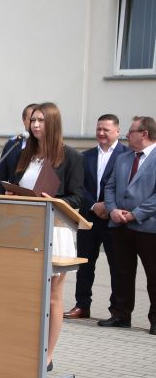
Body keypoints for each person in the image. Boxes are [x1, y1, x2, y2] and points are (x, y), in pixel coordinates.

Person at [9, 102, 84, 370]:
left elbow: (77, 197)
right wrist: (13, 193)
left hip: (56, 230)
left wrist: (53, 200)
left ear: (53, 123)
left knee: (52, 295)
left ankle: (47, 356)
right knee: (26, 294)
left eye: (41, 120)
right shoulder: (25, 155)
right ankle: (25, 348)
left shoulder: (71, 157)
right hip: (26, 229)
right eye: (33, 120)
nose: (35, 125)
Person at [66, 114, 129, 320]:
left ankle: (116, 310)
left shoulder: (127, 156)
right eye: (98, 129)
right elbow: (78, 186)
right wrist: (94, 205)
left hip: (114, 220)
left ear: (117, 132)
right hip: (89, 217)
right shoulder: (85, 156)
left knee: (116, 266)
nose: (101, 133)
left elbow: (126, 187)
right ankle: (82, 306)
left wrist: (108, 206)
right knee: (85, 264)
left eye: (106, 130)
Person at [99, 116, 156, 335]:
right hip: (120, 226)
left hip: (148, 227)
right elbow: (110, 187)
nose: (126, 135)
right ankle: (121, 315)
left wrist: (135, 214)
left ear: (144, 134)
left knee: (153, 275)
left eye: (131, 132)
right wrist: (112, 210)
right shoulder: (123, 158)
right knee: (122, 273)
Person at [0, 103, 39, 194]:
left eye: (39, 120)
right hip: (14, 198)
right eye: (32, 120)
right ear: (23, 120)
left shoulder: (46, 147)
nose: (35, 124)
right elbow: (1, 177)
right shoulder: (13, 144)